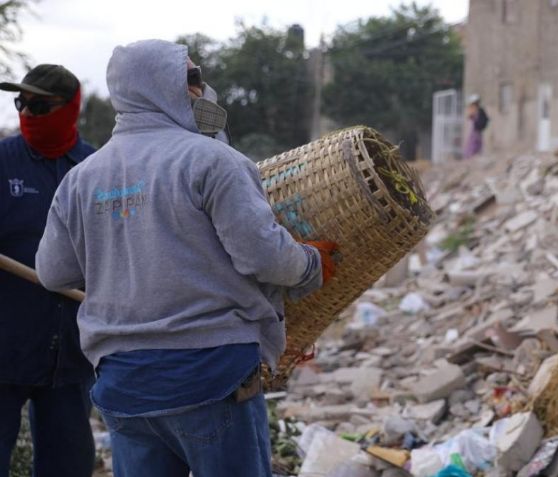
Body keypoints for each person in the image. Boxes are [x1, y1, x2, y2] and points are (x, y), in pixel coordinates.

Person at [35, 39, 335, 477]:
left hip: (125, 390)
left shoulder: (82, 179)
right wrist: (310, 264)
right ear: (162, 86)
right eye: (192, 78)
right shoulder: (214, 161)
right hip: (210, 379)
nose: (202, 89)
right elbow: (264, 256)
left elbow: (52, 272)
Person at [0, 65, 96, 476]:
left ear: (70, 108)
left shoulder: (94, 169)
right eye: (21, 103)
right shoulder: (2, 163)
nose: (28, 113)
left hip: (72, 354)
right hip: (5, 349)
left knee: (69, 465)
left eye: (39, 105)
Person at [463, 94, 488, 159]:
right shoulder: (479, 110)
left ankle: (472, 157)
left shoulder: (477, 110)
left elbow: (471, 117)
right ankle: (473, 156)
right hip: (476, 131)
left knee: (473, 144)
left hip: (476, 131)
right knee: (474, 144)